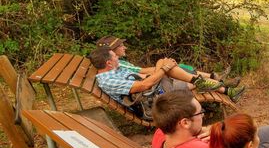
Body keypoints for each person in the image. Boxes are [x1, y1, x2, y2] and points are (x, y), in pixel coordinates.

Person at [89, 48, 246, 107]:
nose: (118, 58)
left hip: (155, 88)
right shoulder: (108, 80)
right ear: (108, 63)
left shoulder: (114, 69)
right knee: (167, 66)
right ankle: (223, 88)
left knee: (165, 63)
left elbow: (143, 76)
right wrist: (163, 69)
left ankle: (226, 90)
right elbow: (143, 86)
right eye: (114, 57)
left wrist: (162, 68)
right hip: (151, 98)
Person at [96, 36, 240, 88]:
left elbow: (141, 72)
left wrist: (165, 66)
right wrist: (163, 68)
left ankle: (217, 80)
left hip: (155, 81)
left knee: (180, 67)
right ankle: (220, 83)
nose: (124, 47)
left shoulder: (118, 64)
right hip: (156, 84)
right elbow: (142, 73)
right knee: (176, 68)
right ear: (113, 51)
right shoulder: (118, 66)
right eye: (121, 46)